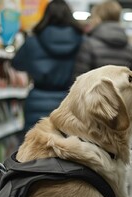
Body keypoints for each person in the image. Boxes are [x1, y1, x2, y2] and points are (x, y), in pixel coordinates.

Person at [73, 0, 132, 153]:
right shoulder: (129, 48)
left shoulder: (89, 44)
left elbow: (78, 83)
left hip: (95, 116)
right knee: (119, 158)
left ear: (98, 18)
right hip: (123, 116)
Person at [11, 0, 83, 135]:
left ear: (46, 15)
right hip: (70, 102)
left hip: (38, 100)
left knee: (34, 147)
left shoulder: (33, 41)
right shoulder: (82, 41)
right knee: (69, 149)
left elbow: (16, 63)